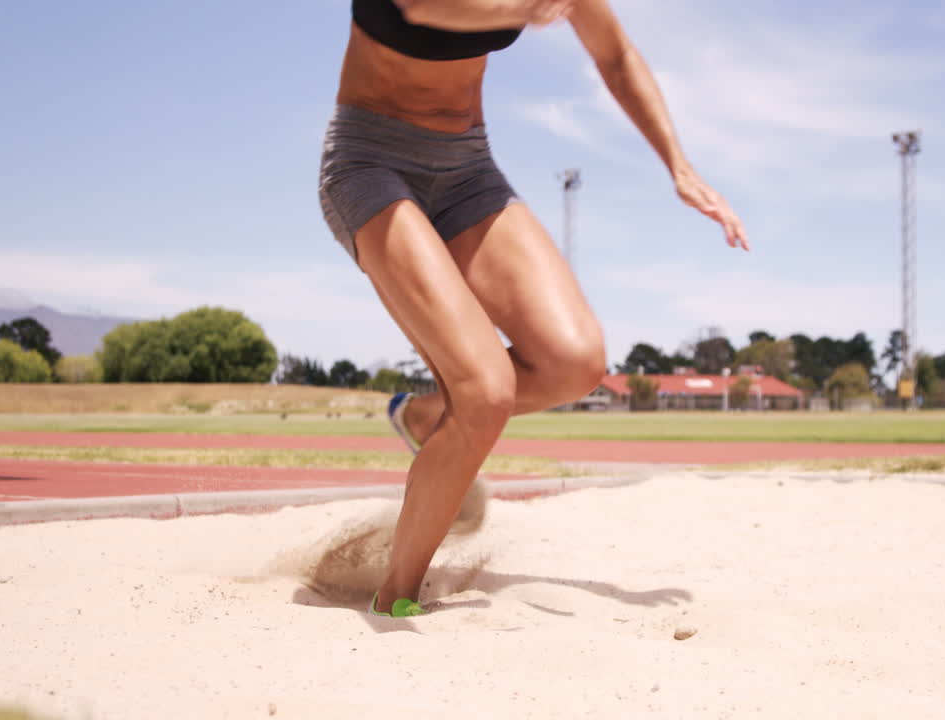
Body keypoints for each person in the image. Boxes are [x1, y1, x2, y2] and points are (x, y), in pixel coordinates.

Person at [318, 0, 749, 617]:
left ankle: (425, 416)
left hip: (467, 168)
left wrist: (678, 166)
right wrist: (525, 7)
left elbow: (616, 54)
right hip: (372, 163)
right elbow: (418, 6)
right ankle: (399, 599)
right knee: (488, 393)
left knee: (574, 363)